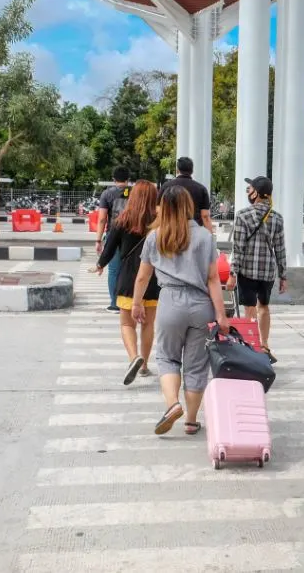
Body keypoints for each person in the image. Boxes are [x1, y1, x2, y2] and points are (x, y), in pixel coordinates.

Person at [131, 186, 229, 436]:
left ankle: (173, 404)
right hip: (200, 305)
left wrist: (136, 303)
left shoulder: (155, 236)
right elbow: (213, 279)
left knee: (167, 358)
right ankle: (191, 421)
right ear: (188, 206)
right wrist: (221, 315)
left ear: (164, 206)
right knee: (196, 366)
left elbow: (143, 277)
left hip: (170, 302)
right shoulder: (205, 237)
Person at [95, 180, 160, 385]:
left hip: (127, 279)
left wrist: (100, 264)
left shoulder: (122, 221)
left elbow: (110, 247)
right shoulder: (160, 222)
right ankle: (144, 365)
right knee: (148, 324)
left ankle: (134, 357)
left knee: (126, 323)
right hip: (153, 279)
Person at [227, 176, 287, 364]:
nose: (248, 193)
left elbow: (238, 249)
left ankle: (251, 345)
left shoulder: (243, 215)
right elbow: (280, 248)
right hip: (268, 272)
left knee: (249, 309)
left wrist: (232, 274)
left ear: (257, 194)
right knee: (264, 307)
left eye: (249, 189)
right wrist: (283, 275)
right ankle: (265, 345)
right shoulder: (276, 217)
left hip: (247, 271)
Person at [96, 166, 132, 312]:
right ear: (128, 180)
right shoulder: (134, 193)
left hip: (113, 235)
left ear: (113, 179)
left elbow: (102, 219)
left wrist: (98, 240)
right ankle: (128, 301)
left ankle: (114, 303)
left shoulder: (107, 194)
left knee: (113, 270)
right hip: (132, 235)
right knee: (130, 269)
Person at [158, 156, 213, 233]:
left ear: (177, 170)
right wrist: (210, 235)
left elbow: (159, 210)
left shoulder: (166, 186)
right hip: (194, 232)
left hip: (170, 231)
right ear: (192, 171)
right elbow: (205, 216)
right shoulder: (201, 189)